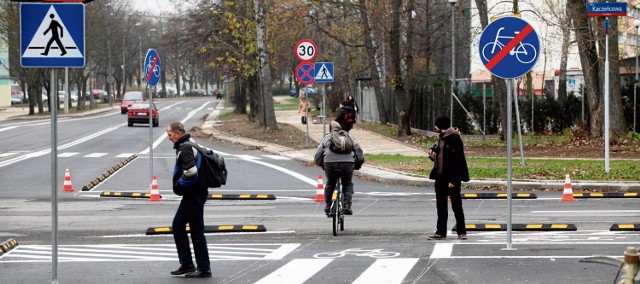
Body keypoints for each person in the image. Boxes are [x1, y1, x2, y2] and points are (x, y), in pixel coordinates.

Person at [166, 121, 211, 278]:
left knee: (196, 230)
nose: (168, 137)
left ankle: (204, 268)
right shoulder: (189, 143)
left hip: (194, 194)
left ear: (178, 133)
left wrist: (180, 184)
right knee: (178, 225)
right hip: (195, 193)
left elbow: (191, 173)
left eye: (169, 134)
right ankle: (186, 264)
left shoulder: (184, 148)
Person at [427, 115, 470, 240]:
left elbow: (458, 161)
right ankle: (441, 232)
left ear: (441, 127)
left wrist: (454, 180)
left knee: (456, 206)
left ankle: (462, 232)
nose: (435, 128)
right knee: (441, 206)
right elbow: (441, 158)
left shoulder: (455, 139)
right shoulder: (442, 138)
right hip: (440, 177)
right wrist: (433, 155)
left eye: (436, 126)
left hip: (451, 179)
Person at [314, 121, 365, 216]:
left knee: (330, 183)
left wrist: (322, 164)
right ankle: (347, 205)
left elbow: (318, 154)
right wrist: (358, 163)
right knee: (347, 183)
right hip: (347, 163)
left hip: (330, 163)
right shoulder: (348, 136)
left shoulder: (327, 137)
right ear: (340, 128)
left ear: (330, 129)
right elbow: (358, 150)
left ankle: (329, 206)